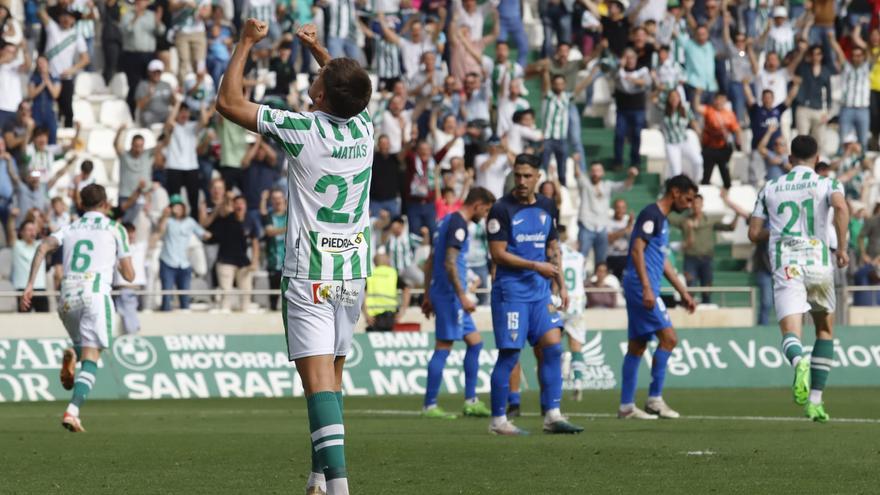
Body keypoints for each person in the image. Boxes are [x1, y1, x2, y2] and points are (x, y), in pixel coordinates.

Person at [216, 20, 373, 495]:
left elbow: (228, 104)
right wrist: (319, 51)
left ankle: (341, 488)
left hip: (310, 273)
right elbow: (352, 93)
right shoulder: (365, 127)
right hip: (352, 271)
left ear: (322, 97)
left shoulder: (302, 127)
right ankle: (319, 479)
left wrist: (245, 42)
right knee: (332, 381)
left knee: (319, 385)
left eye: (321, 81)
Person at [748, 135, 849, 423]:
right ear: (817, 159)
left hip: (787, 265)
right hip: (818, 263)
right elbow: (841, 208)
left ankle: (798, 361)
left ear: (789, 159)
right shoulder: (828, 183)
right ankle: (815, 401)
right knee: (825, 330)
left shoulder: (769, 187)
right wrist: (841, 248)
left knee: (791, 334)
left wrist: (778, 233)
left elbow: (754, 233)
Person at [20, 184, 135, 432]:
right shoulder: (115, 228)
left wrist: (30, 285)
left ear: (81, 204)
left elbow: (42, 247)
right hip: (94, 294)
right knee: (92, 359)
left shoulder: (70, 227)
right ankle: (72, 412)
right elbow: (129, 275)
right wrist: (116, 257)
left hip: (67, 295)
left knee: (83, 350)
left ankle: (74, 353)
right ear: (106, 204)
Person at [486, 153, 583, 435]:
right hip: (511, 292)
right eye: (518, 175)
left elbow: (553, 247)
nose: (522, 181)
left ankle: (552, 415)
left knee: (553, 347)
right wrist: (534, 265)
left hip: (540, 293)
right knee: (510, 355)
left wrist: (561, 283)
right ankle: (498, 420)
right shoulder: (501, 209)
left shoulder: (546, 205)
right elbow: (497, 253)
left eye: (528, 176)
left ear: (538, 177)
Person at [619, 174, 697, 420]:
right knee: (669, 338)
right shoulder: (651, 214)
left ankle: (626, 406)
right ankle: (654, 399)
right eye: (688, 198)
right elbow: (636, 249)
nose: (689, 204)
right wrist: (646, 287)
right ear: (675, 192)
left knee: (638, 345)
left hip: (642, 285)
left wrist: (682, 292)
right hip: (640, 285)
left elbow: (662, 261)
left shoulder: (661, 220)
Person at [420, 187, 496, 419]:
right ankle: (430, 405)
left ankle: (470, 401)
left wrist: (426, 294)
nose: (485, 215)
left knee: (475, 343)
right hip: (451, 296)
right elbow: (449, 263)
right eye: (486, 210)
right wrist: (462, 295)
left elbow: (432, 259)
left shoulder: (446, 222)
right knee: (443, 346)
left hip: (443, 293)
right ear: (478, 204)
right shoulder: (459, 225)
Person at [668, 193, 740, 304]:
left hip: (706, 259)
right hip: (690, 259)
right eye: (694, 203)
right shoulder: (684, 221)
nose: (696, 206)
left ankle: (706, 314)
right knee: (690, 288)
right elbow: (669, 217)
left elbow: (730, 227)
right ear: (690, 205)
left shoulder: (710, 221)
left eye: (698, 203)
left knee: (707, 290)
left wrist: (737, 215)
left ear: (702, 204)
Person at [574, 162, 638, 269]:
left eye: (598, 171)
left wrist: (631, 176)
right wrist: (576, 162)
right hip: (586, 225)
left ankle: (599, 282)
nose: (595, 173)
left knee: (601, 261)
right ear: (590, 173)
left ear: (603, 173)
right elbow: (577, 175)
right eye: (593, 171)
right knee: (581, 258)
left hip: (602, 227)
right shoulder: (585, 184)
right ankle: (580, 280)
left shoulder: (607, 185)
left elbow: (625, 186)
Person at [157, 194, 211, 311]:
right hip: (168, 262)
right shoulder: (168, 220)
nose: (177, 208)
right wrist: (164, 216)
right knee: (166, 296)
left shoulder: (190, 221)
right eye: (174, 206)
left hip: (184, 264)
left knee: (185, 297)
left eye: (179, 205)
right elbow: (160, 231)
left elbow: (204, 234)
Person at [557, 225, 588, 401]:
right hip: (577, 303)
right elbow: (581, 278)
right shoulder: (578, 256)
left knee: (553, 344)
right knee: (576, 345)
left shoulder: (553, 255)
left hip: (559, 302)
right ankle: (578, 383)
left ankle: (561, 366)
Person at [693, 91, 742, 190]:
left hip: (723, 148)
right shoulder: (709, 110)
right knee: (707, 175)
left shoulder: (729, 114)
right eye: (718, 99)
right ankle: (704, 196)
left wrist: (738, 142)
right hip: (709, 148)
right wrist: (698, 94)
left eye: (722, 100)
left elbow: (737, 129)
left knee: (725, 175)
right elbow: (697, 107)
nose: (719, 102)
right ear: (714, 100)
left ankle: (727, 194)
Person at [8, 216, 48, 312]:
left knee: (45, 322)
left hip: (40, 289)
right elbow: (10, 232)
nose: (32, 232)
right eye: (29, 230)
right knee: (23, 323)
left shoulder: (41, 245)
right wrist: (12, 218)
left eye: (34, 230)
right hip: (22, 290)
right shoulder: (17, 245)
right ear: (21, 232)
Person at [261, 188, 287, 311]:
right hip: (273, 262)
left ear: (284, 200)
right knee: (273, 296)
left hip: (290, 263)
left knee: (289, 296)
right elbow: (269, 231)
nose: (277, 201)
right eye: (275, 198)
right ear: (271, 201)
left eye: (279, 198)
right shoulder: (269, 217)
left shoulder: (291, 215)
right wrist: (288, 229)